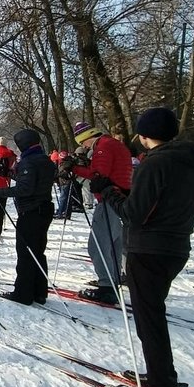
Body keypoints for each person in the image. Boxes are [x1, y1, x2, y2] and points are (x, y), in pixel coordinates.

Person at [91, 108, 194, 387]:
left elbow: (132, 214)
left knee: (148, 316)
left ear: (144, 136)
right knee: (153, 312)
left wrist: (108, 192)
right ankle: (163, 377)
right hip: (175, 246)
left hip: (149, 247)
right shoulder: (191, 162)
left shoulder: (153, 164)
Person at [59, 121, 134, 303]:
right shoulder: (114, 144)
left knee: (98, 245)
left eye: (82, 143)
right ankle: (113, 279)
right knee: (113, 243)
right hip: (121, 197)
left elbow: (99, 175)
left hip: (110, 199)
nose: (83, 146)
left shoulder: (103, 146)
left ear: (87, 138)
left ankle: (107, 286)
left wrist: (74, 168)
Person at [0, 129, 55, 305]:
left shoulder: (29, 161)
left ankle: (23, 293)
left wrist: (0, 192)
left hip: (31, 211)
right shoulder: (44, 159)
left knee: (26, 252)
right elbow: (31, 181)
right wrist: (11, 174)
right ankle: (39, 291)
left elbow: (25, 189)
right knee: (38, 251)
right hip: (43, 209)